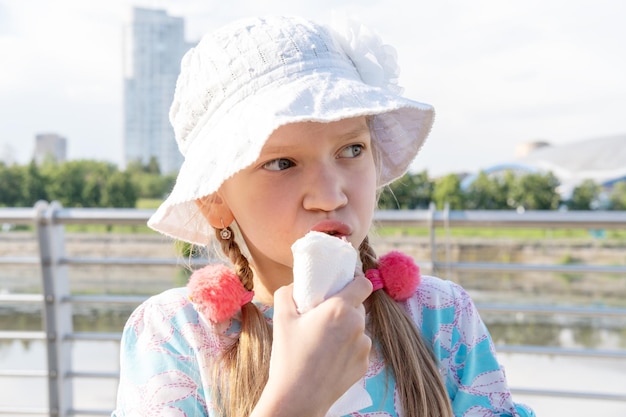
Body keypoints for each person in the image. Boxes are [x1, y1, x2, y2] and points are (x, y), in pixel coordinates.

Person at [112, 15, 534, 417]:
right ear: (214, 199)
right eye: (282, 163)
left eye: (352, 150)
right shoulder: (178, 334)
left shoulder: (441, 316)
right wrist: (296, 398)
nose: (330, 196)